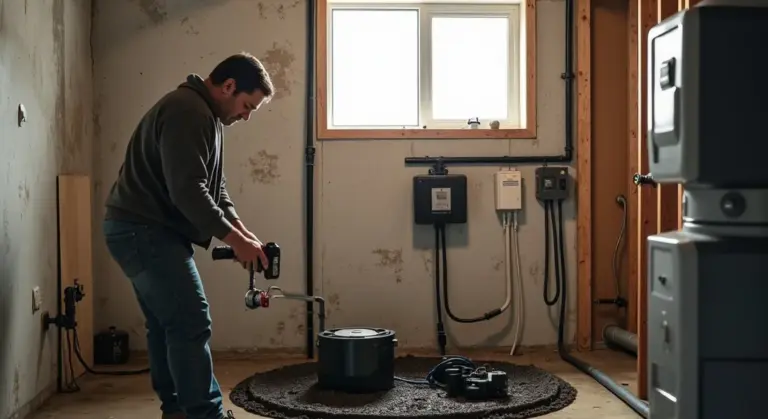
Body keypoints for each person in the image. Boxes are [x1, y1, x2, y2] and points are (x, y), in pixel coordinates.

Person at [102, 52, 275, 419]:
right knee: (190, 321)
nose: (245, 116)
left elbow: (216, 189)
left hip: (140, 229)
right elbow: (188, 192)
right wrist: (234, 241)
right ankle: (204, 414)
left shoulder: (206, 117)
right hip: (143, 231)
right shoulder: (188, 111)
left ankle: (178, 410)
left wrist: (244, 234)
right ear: (228, 86)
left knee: (168, 325)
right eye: (247, 106)